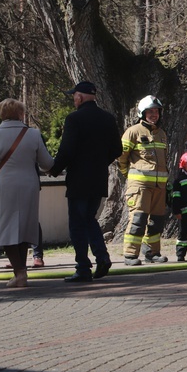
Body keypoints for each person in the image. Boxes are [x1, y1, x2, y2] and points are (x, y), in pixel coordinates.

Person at [0, 98, 55, 287]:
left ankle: (20, 273)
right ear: (20, 113)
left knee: (5, 228)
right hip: (29, 185)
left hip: (4, 185)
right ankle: (20, 273)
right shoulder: (33, 134)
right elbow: (47, 164)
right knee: (24, 227)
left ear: (1, 114)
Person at [49, 81, 123, 282]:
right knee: (89, 218)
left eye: (74, 95)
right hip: (98, 178)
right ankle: (101, 257)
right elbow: (117, 149)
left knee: (78, 224)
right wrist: (100, 162)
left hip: (79, 179)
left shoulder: (74, 119)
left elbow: (66, 150)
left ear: (79, 97)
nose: (73, 99)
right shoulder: (107, 118)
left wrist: (54, 170)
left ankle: (84, 266)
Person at [118, 95, 169, 265]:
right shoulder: (133, 132)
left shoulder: (162, 134)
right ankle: (130, 255)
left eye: (156, 111)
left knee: (156, 222)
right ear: (142, 113)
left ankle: (152, 253)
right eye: (150, 111)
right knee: (138, 220)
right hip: (139, 187)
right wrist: (129, 175)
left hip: (159, 187)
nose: (154, 114)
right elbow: (121, 157)